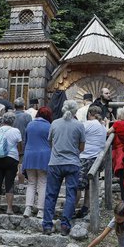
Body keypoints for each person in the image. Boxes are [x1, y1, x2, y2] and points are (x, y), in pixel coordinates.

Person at [42, 100, 85, 236]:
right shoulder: (79, 125)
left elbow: (50, 142)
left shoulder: (54, 123)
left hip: (55, 162)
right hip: (72, 162)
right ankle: (65, 225)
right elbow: (82, 147)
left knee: (51, 195)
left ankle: (47, 225)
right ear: (75, 111)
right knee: (71, 195)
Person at [76, 105, 107, 218]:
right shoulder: (102, 127)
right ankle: (86, 207)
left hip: (85, 157)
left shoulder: (87, 124)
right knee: (89, 185)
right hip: (97, 159)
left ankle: (71, 208)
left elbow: (78, 137)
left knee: (77, 185)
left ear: (89, 114)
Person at [22, 107, 52, 218]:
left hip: (30, 155)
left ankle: (28, 208)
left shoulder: (30, 125)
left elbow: (25, 140)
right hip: (44, 156)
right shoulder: (49, 126)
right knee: (42, 183)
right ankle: (41, 210)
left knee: (31, 183)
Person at [0, 112, 22, 214]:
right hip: (11, 158)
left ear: (3, 120)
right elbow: (20, 145)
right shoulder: (15, 131)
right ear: (13, 121)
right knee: (9, 182)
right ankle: (9, 208)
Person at [108, 107, 124, 200]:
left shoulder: (117, 123)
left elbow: (108, 132)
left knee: (122, 179)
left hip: (119, 153)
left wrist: (107, 124)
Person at [12, 97, 32, 188]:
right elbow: (30, 130)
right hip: (23, 142)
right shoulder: (27, 116)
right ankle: (21, 183)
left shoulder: (10, 115)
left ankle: (10, 183)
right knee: (21, 164)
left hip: (11, 143)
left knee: (11, 163)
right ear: (23, 106)